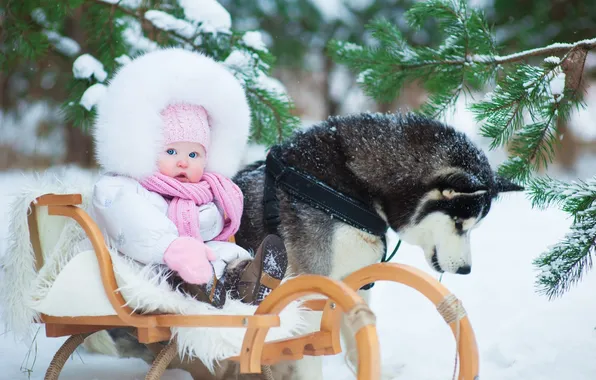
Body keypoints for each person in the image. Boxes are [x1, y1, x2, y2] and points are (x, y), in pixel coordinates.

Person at [90, 47, 287, 308]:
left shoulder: (205, 193)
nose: (183, 161)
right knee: (187, 263)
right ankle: (195, 283)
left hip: (198, 253)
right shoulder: (124, 187)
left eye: (194, 154)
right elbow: (131, 221)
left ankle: (247, 278)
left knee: (226, 253)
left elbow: (212, 228)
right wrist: (173, 247)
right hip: (149, 260)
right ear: (148, 149)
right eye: (171, 151)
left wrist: (205, 221)